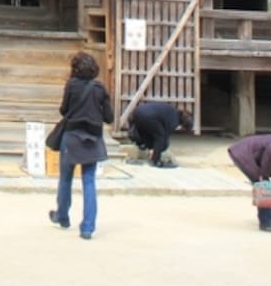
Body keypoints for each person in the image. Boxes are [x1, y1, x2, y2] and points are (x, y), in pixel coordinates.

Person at [49, 51, 114, 240]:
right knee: (89, 181)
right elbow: (109, 117)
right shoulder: (100, 89)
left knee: (66, 178)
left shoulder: (72, 85)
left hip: (71, 137)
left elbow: (63, 110)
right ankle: (88, 227)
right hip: (92, 139)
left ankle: (62, 215)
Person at [127, 101, 193, 167]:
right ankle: (155, 161)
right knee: (160, 137)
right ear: (184, 123)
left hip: (137, 111)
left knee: (154, 132)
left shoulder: (172, 111)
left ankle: (142, 144)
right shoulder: (174, 121)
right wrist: (157, 150)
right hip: (148, 116)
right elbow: (163, 138)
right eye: (183, 128)